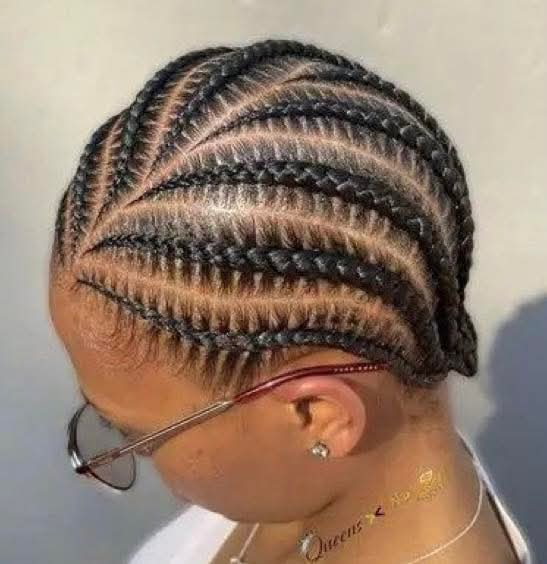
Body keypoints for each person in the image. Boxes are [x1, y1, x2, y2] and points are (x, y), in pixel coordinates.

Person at [49, 38, 533, 563]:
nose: (112, 454)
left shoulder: (276, 474)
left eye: (136, 438)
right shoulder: (289, 478)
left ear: (318, 416)